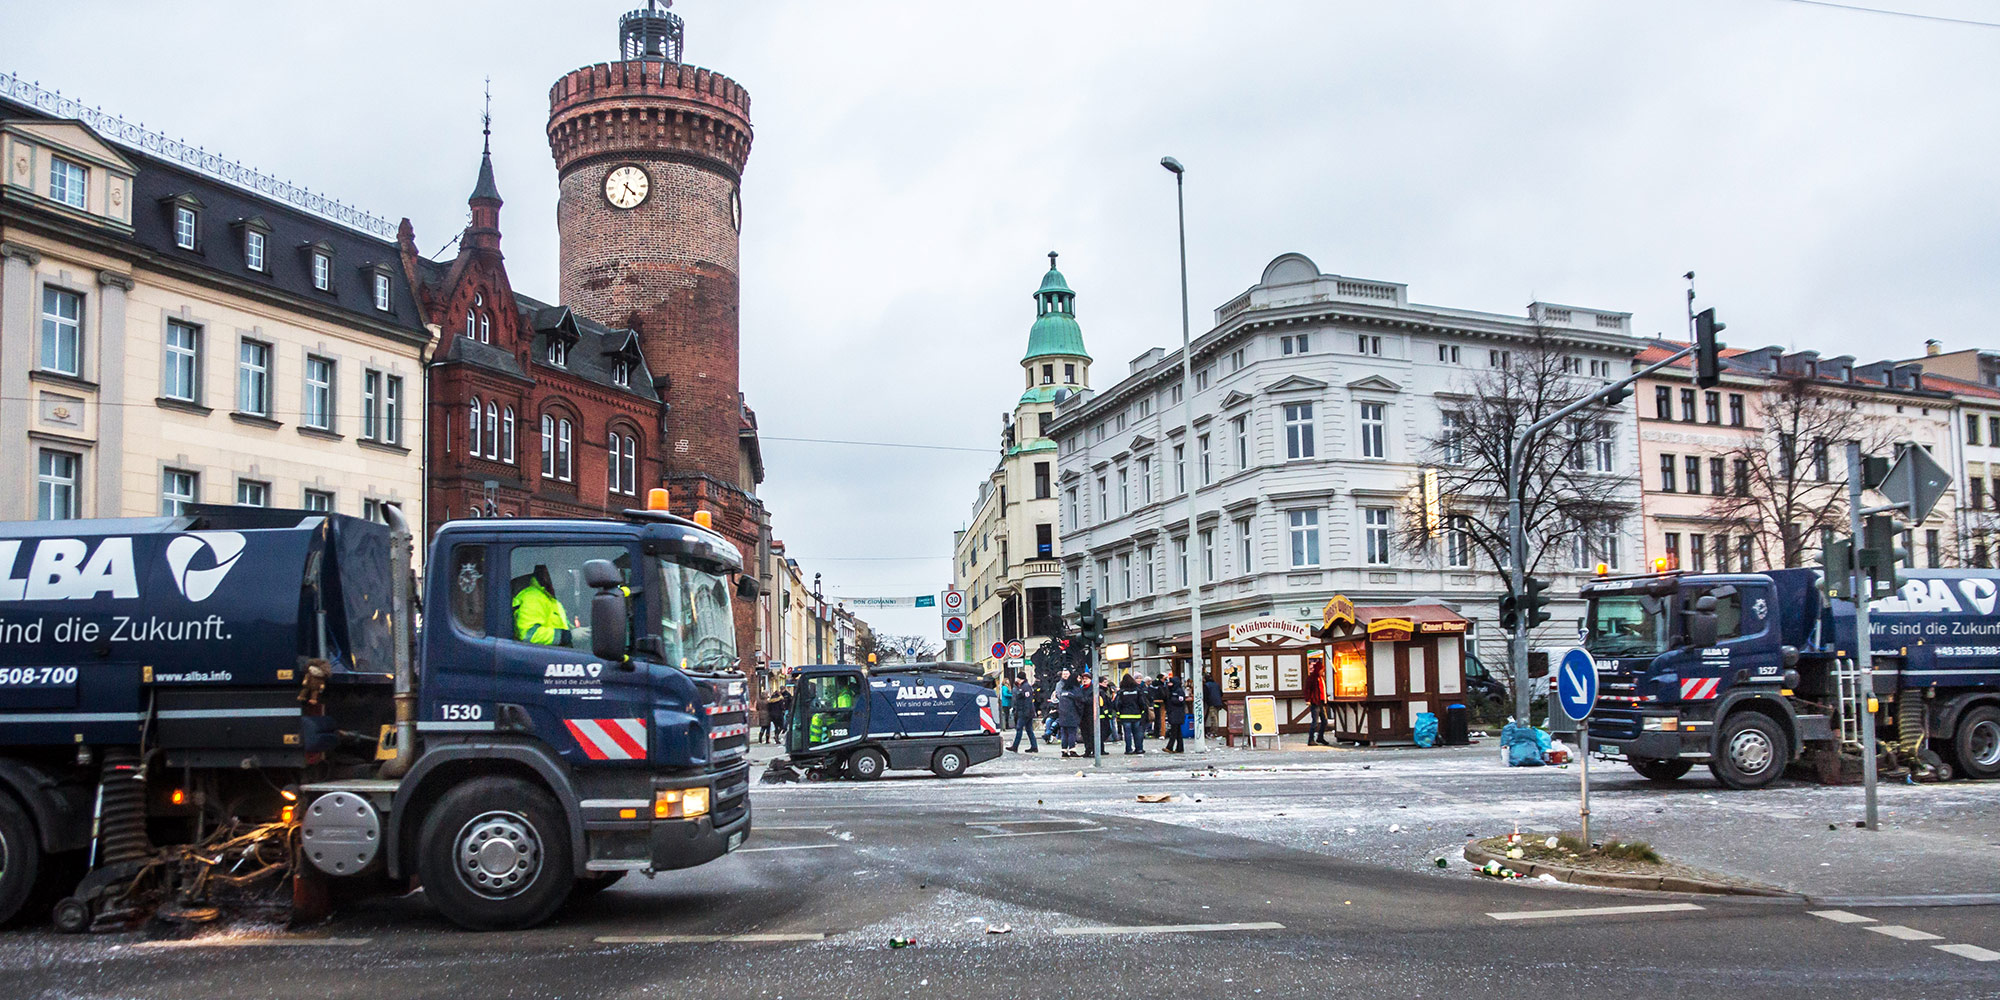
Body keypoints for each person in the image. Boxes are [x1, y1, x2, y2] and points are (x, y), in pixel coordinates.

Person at [513, 565, 587, 647]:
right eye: (561, 572)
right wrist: (569, 635)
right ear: (546, 574)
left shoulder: (551, 599)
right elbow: (529, 635)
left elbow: (562, 625)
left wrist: (580, 632)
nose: (566, 576)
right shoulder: (532, 597)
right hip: (541, 657)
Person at [1115, 674, 1149, 754]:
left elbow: (1117, 703)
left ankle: (1128, 749)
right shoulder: (1137, 690)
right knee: (1137, 733)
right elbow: (1142, 702)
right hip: (1136, 714)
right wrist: (1142, 711)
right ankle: (1139, 748)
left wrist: (1118, 712)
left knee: (1127, 734)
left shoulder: (1121, 692)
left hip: (1125, 715)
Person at [1304, 654, 1331, 746]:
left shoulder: (1321, 678)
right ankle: (1311, 739)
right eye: (1321, 670)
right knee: (1315, 722)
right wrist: (1308, 699)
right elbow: (1307, 689)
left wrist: (1326, 696)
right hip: (1315, 702)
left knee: (1325, 721)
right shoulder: (1312, 678)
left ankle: (1320, 737)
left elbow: (1322, 689)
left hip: (1322, 702)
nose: (1323, 671)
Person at [1054, 669, 1082, 757]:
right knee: (1071, 733)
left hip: (1063, 714)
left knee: (1064, 733)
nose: (1079, 680)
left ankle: (1064, 750)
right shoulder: (1075, 690)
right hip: (1072, 714)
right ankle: (1072, 749)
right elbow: (1079, 702)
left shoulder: (1063, 690)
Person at [1010, 673, 1040, 753]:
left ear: (1020, 679)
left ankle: (1015, 746)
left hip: (1025, 712)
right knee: (1029, 729)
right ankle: (1034, 746)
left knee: (1019, 728)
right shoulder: (1024, 686)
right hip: (1025, 712)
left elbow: (1027, 701)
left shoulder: (1025, 687)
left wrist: (1026, 712)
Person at [1162, 668, 1187, 754]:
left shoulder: (1179, 691)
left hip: (1177, 713)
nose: (1169, 684)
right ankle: (1180, 748)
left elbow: (1181, 701)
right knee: (1178, 732)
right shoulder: (1170, 691)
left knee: (1174, 731)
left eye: (1171, 683)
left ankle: (1170, 746)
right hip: (1172, 712)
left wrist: (1172, 699)